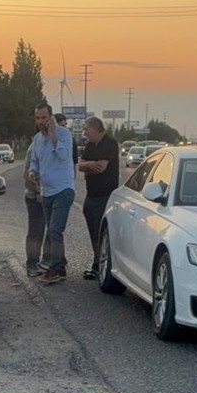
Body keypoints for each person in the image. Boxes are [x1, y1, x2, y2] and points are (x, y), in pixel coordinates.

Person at [27, 103, 75, 284]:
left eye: (44, 118)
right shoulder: (37, 139)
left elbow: (64, 156)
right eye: (37, 118)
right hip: (46, 191)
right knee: (52, 231)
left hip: (63, 190)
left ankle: (53, 269)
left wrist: (54, 135)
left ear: (51, 117)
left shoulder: (64, 135)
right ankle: (61, 266)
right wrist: (33, 171)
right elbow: (35, 161)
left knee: (55, 230)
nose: (40, 121)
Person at [77, 117, 119, 280]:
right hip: (91, 194)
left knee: (102, 232)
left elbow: (101, 168)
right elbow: (81, 166)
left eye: (86, 129)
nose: (85, 132)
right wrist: (88, 165)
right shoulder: (89, 145)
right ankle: (96, 261)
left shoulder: (110, 143)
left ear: (95, 128)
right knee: (93, 230)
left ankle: (103, 265)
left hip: (105, 195)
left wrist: (88, 166)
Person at [22, 144, 46, 277]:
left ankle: (42, 262)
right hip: (35, 197)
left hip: (46, 195)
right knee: (35, 232)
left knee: (43, 231)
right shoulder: (35, 148)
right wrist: (38, 190)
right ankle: (32, 263)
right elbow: (26, 174)